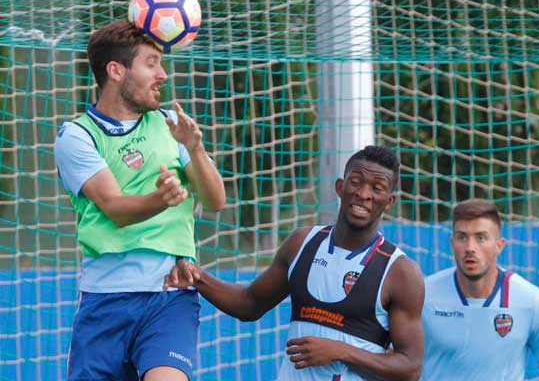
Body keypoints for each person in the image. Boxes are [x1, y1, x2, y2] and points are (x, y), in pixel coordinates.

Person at [54, 19, 226, 381]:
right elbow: (114, 208)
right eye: (151, 63)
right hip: (105, 300)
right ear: (115, 70)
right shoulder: (77, 135)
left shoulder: (169, 125)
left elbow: (215, 200)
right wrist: (161, 199)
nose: (162, 74)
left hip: (169, 294)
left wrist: (194, 148)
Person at [164, 145, 425, 380]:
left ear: (388, 201)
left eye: (377, 188)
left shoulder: (400, 272)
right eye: (355, 182)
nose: (364, 194)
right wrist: (197, 277)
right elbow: (250, 303)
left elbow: (410, 366)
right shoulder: (303, 243)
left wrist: (342, 351)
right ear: (340, 187)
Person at [420, 198, 539, 381]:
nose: (470, 248)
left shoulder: (530, 301)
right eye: (462, 237)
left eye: (481, 238)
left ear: (499, 246)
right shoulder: (423, 295)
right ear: (453, 244)